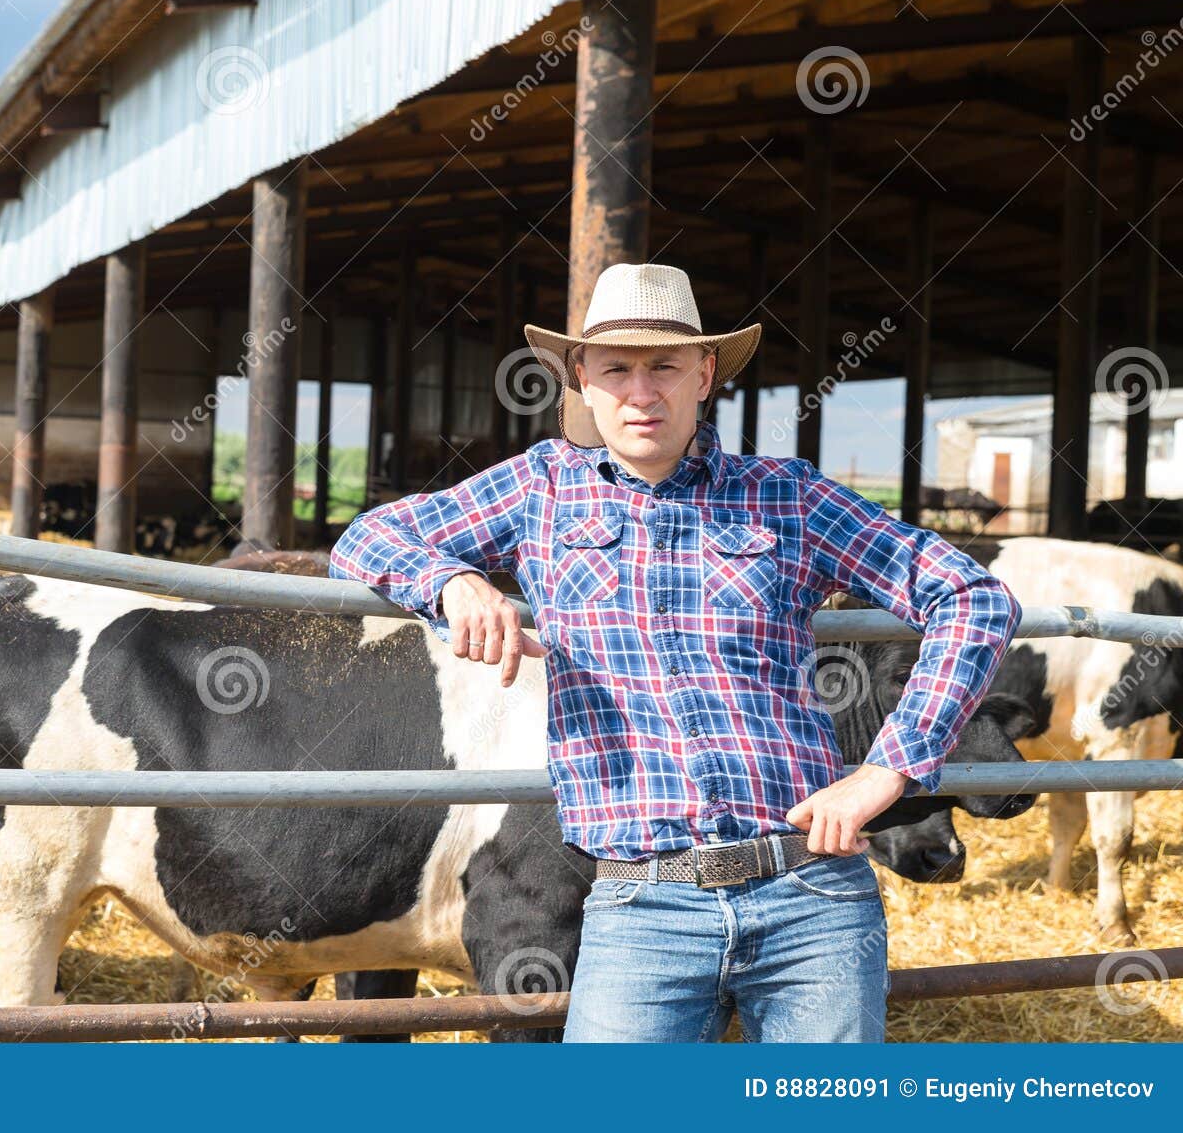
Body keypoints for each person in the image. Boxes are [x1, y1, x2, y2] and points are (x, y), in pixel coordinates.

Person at [327, 262, 1023, 1042]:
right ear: (581, 378)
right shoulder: (539, 490)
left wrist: (888, 770)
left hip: (810, 893)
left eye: (664, 366)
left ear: (706, 374)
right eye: (616, 368)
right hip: (639, 906)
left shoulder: (786, 495)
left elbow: (972, 596)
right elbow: (366, 538)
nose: (641, 391)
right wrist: (453, 581)